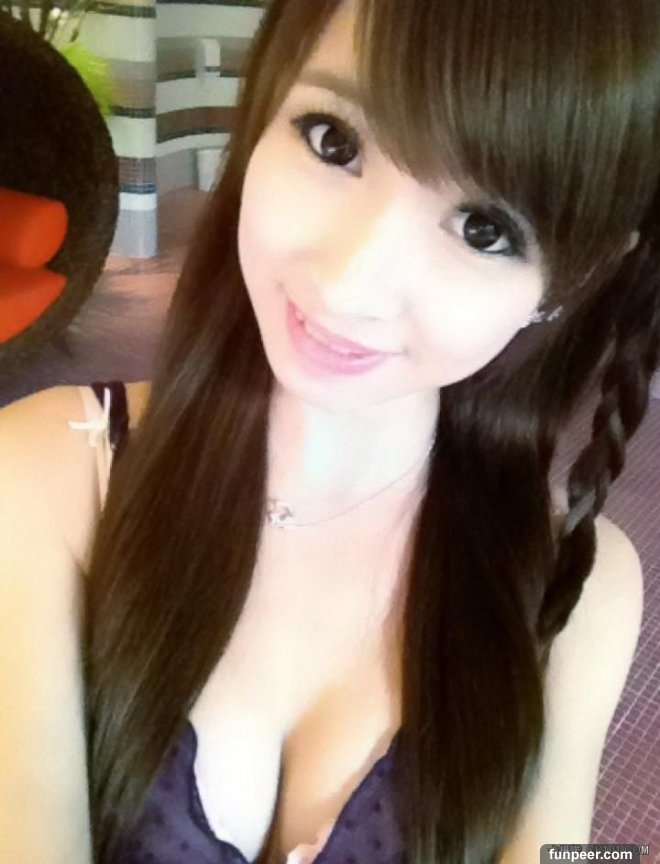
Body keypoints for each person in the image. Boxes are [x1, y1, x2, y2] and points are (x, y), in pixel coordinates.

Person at [1, 0, 657, 862]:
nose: (351, 283)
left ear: (573, 279)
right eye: (334, 141)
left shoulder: (579, 584)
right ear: (266, 105)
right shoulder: (45, 471)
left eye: (484, 229)